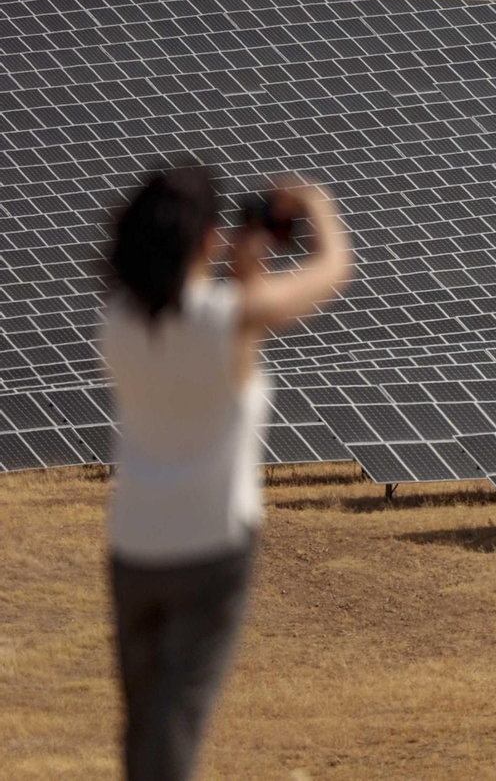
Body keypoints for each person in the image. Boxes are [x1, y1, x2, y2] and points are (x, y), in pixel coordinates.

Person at [101, 164, 352, 781]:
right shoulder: (229, 319)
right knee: (178, 713)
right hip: (209, 547)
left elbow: (222, 336)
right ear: (208, 239)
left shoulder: (118, 323)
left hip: (133, 547)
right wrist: (317, 206)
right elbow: (331, 272)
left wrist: (244, 269)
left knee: (145, 718)